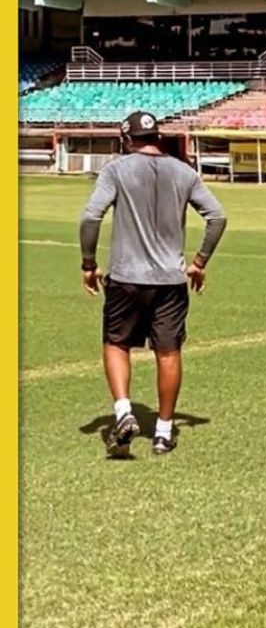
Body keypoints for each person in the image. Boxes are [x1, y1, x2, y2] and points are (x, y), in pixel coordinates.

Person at [79, 111, 227, 457]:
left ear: (126, 140)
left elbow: (90, 217)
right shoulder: (184, 172)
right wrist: (199, 262)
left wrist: (88, 264)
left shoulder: (116, 170)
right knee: (168, 352)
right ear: (157, 137)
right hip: (171, 280)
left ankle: (124, 412)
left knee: (116, 343)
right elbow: (217, 217)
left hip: (126, 278)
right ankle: (163, 431)